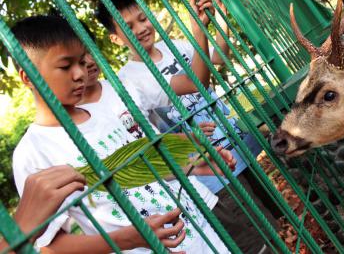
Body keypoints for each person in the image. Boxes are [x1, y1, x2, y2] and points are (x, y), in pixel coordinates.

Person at [10, 15, 233, 253]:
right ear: (27, 76)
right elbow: (50, 245)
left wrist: (193, 163)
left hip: (199, 234)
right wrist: (130, 239)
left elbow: (144, 170)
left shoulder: (106, 111)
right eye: (66, 66)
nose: (80, 74)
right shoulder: (33, 152)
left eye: (81, 61)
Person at [95, 0, 277, 253]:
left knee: (273, 222)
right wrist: (197, 29)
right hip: (209, 171)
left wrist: (218, 20)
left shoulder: (172, 46)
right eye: (128, 26)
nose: (141, 28)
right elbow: (197, 82)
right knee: (256, 243)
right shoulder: (130, 79)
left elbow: (217, 58)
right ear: (115, 39)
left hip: (235, 148)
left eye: (143, 18)